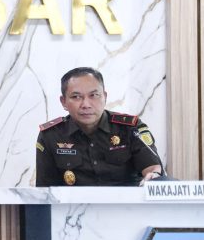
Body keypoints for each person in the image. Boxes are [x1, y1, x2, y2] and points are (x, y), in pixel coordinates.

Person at [35, 67, 163, 186]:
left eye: (94, 95)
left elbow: (153, 168)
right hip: (73, 203)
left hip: (125, 202)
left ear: (105, 97)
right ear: (63, 102)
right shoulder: (51, 135)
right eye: (76, 97)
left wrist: (153, 176)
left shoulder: (130, 128)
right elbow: (44, 190)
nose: (86, 104)